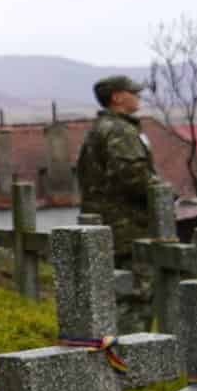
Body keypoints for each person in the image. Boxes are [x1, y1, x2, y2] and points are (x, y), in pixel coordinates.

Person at [76, 74, 157, 333]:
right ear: (117, 97)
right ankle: (133, 359)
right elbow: (132, 177)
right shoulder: (120, 130)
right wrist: (165, 194)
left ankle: (116, 354)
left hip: (109, 225)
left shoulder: (100, 128)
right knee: (136, 296)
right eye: (133, 92)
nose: (138, 96)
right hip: (127, 227)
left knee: (114, 294)